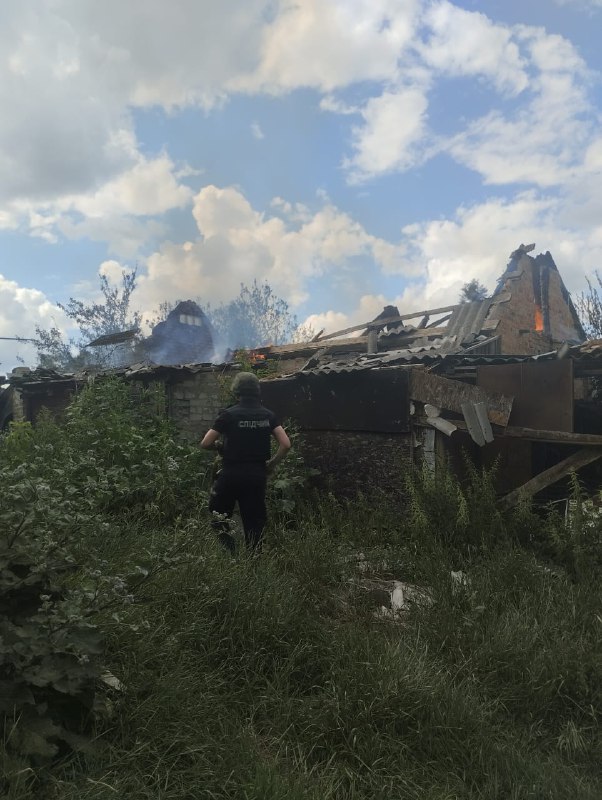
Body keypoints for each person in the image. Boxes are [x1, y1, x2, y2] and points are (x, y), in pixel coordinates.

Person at [200, 371, 291, 552]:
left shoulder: (228, 414)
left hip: (230, 474)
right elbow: (286, 444)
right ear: (257, 391)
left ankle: (230, 552)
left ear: (236, 391)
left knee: (219, 515)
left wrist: (218, 447)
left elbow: (205, 443)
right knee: (254, 521)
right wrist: (270, 465)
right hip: (256, 476)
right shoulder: (268, 415)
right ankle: (253, 560)